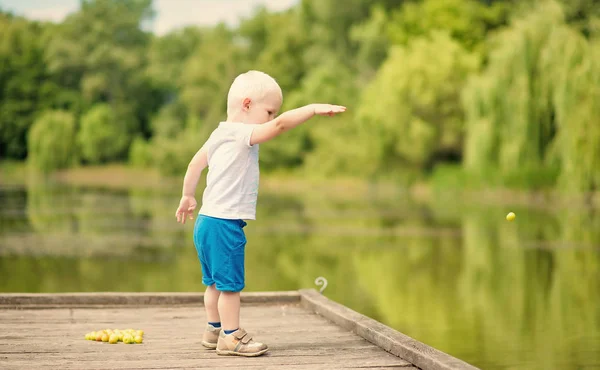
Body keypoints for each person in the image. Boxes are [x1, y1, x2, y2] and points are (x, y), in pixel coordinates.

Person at [175, 70, 346, 357]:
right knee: (230, 286)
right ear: (246, 105)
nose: (270, 118)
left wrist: (187, 195)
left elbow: (194, 164)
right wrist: (312, 109)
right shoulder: (242, 133)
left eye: (272, 112)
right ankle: (231, 337)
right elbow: (279, 126)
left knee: (214, 283)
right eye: (267, 111)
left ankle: (213, 330)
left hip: (205, 221)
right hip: (223, 223)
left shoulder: (219, 133)